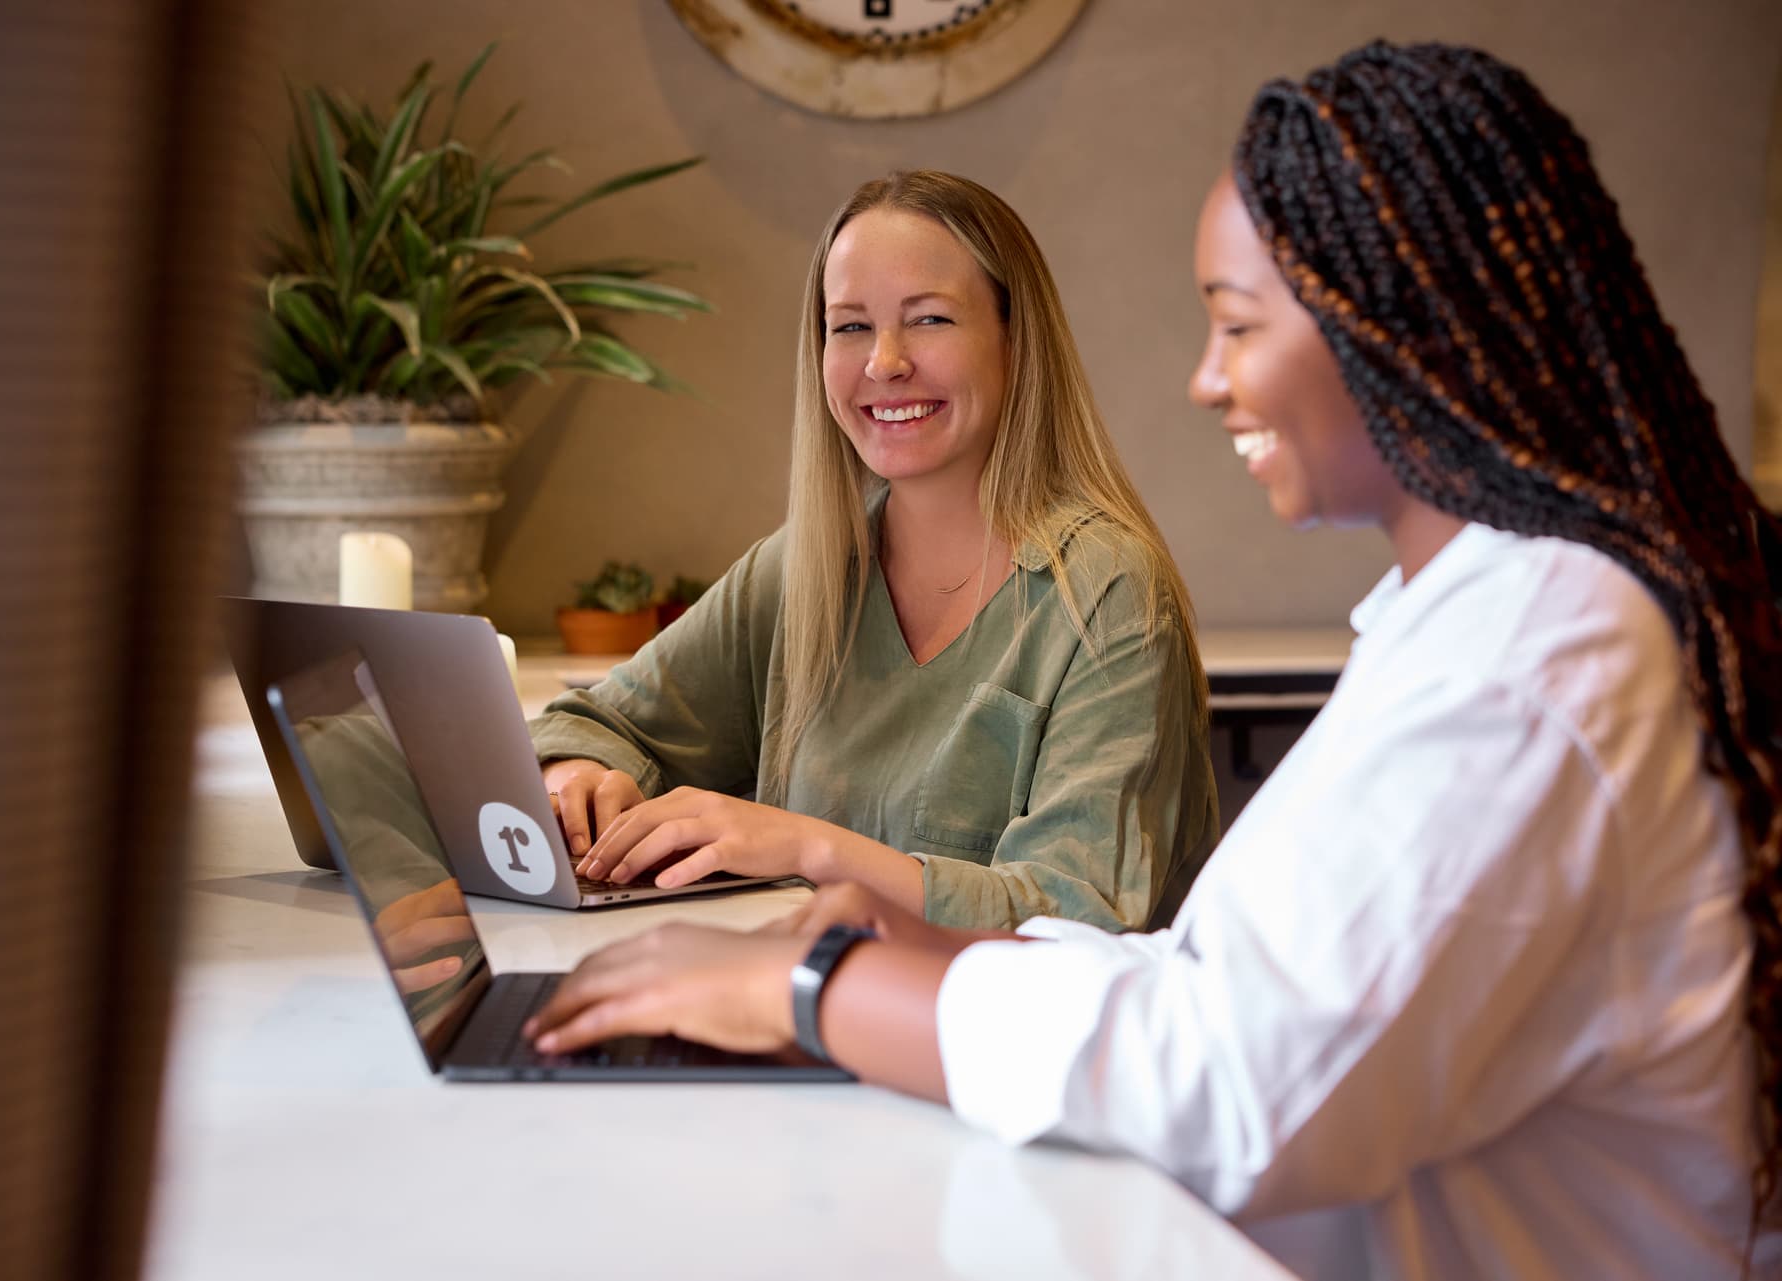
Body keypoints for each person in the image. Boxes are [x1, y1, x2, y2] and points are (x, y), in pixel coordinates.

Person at [521, 41, 1782, 1281]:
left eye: (1237, 327)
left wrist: (808, 989)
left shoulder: (1527, 667)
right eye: (852, 326)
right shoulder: (1474, 619)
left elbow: (1239, 1086)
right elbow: (1213, 980)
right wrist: (942, 954)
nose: (1205, 381)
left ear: (1403, 328)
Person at [531, 170, 1218, 931]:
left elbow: (1074, 912)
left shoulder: (1110, 591)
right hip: (794, 1027)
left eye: (927, 320)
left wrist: (808, 847)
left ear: (1017, 341)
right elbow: (593, 723)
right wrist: (581, 775)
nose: (884, 361)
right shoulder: (804, 569)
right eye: (850, 326)